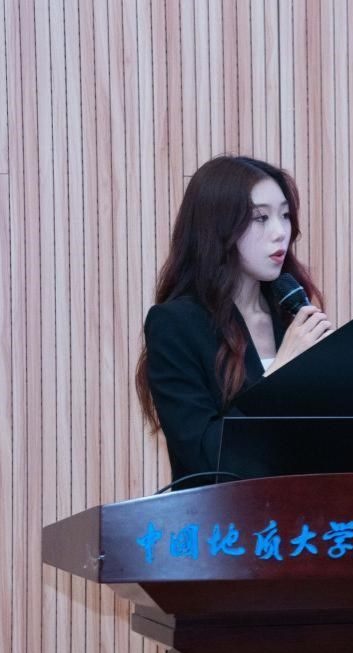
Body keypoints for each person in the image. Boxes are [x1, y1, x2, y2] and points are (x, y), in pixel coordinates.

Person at [135, 156, 332, 484]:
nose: (280, 232)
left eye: (285, 216)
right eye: (260, 218)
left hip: (306, 510)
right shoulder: (176, 325)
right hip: (224, 514)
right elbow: (205, 456)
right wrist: (279, 375)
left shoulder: (290, 315)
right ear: (217, 228)